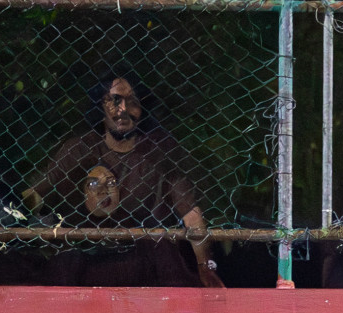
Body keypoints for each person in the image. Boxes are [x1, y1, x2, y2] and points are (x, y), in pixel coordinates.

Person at [22, 71, 222, 288]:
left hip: (142, 259)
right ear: (100, 106)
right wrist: (16, 217)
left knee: (164, 251)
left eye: (133, 102)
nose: (124, 110)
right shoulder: (79, 149)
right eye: (115, 100)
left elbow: (191, 214)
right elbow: (34, 196)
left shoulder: (159, 151)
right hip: (88, 257)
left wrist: (206, 266)